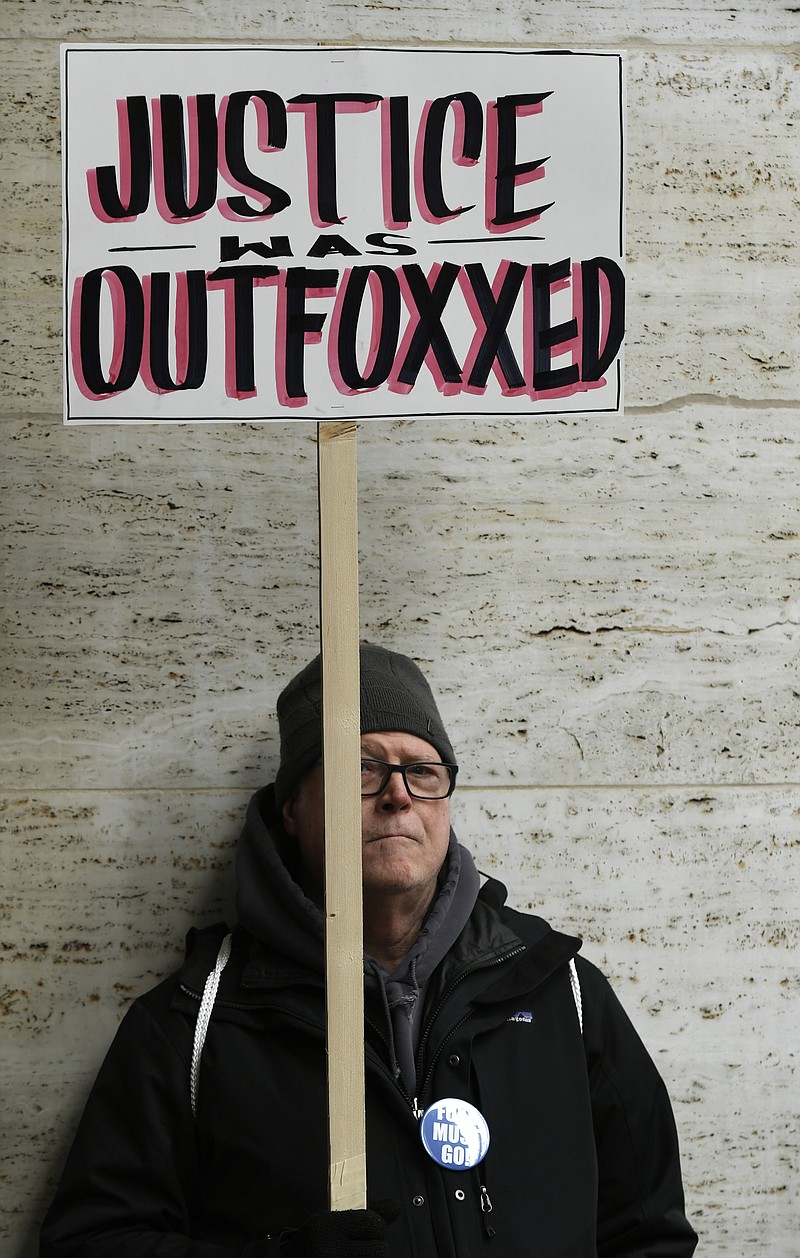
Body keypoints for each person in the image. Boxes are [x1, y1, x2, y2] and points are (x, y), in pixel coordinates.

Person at [40, 644, 698, 1257]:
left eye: (423, 770)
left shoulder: (561, 995)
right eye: (361, 768)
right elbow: (92, 1241)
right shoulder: (195, 1023)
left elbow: (648, 1234)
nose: (398, 794)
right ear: (293, 806)